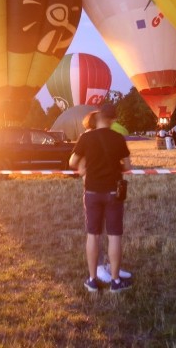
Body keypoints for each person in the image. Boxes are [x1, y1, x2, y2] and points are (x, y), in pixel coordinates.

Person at [69, 103, 133, 293]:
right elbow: (128, 165)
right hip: (113, 191)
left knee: (93, 235)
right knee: (114, 236)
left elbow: (72, 161)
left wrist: (82, 168)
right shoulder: (118, 138)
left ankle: (92, 280)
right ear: (113, 119)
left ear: (98, 117)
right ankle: (115, 281)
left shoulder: (86, 137)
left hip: (91, 192)